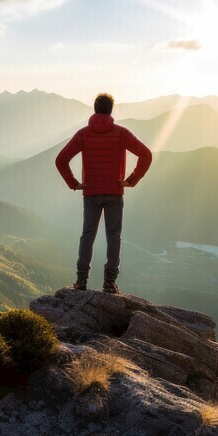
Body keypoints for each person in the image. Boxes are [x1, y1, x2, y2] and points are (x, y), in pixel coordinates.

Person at [55, 93, 152, 294]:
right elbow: (146, 154)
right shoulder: (121, 133)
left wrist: (74, 183)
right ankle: (109, 283)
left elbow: (60, 160)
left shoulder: (83, 134)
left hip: (91, 194)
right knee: (113, 236)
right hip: (114, 193)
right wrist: (131, 180)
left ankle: (81, 281)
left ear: (95, 109)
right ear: (111, 109)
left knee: (87, 236)